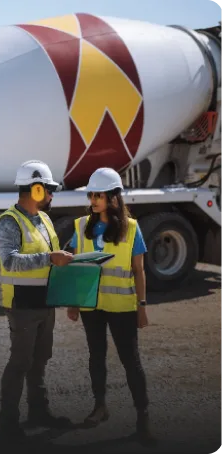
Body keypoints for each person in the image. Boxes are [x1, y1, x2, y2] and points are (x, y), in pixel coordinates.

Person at [65, 167, 156, 446]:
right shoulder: (81, 226)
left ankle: (143, 417)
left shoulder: (131, 228)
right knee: (96, 357)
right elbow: (73, 264)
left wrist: (142, 306)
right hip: (92, 305)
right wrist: (73, 301)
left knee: (131, 362)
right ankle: (100, 407)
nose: (93, 200)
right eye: (91, 195)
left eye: (98, 195)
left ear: (114, 198)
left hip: (123, 307)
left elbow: (138, 270)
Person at [0, 160, 74, 441]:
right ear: (36, 189)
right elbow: (10, 261)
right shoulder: (9, 221)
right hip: (23, 306)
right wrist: (51, 258)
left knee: (39, 361)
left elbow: (50, 258)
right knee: (20, 363)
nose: (52, 195)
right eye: (49, 190)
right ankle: (8, 425)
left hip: (45, 302)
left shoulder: (44, 219)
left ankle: (39, 414)